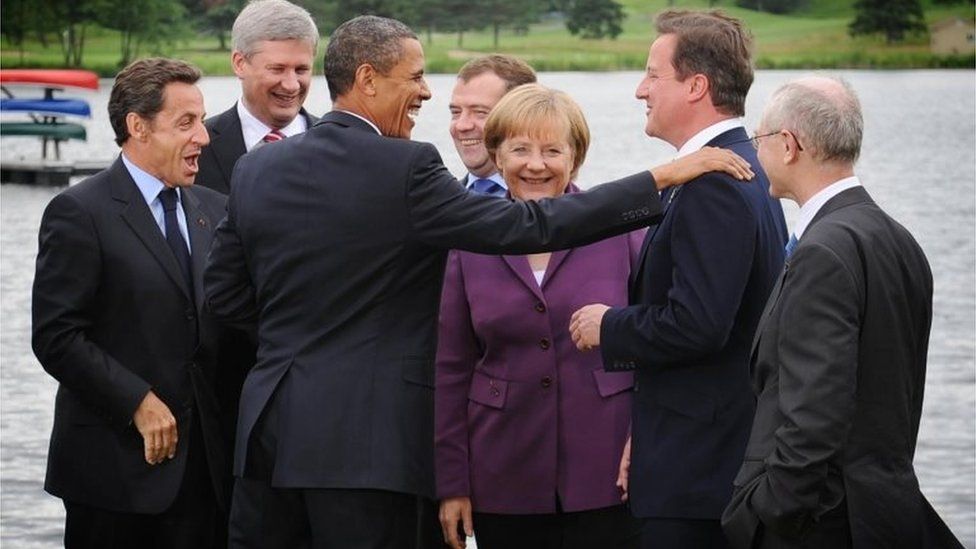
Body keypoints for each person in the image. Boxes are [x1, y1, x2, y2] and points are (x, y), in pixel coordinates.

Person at [203, 14, 753, 549]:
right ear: (368, 79)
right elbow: (524, 222)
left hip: (268, 436)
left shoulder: (257, 168)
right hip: (371, 447)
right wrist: (661, 177)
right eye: (415, 77)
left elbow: (224, 293)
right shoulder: (407, 166)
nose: (424, 92)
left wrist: (299, 343)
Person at [569, 10, 788, 549]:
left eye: (652, 74)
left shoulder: (714, 183)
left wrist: (609, 326)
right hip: (701, 454)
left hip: (700, 470)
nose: (640, 90)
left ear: (696, 86)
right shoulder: (738, 165)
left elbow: (698, 325)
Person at [721, 76, 963, 549]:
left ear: (788, 145)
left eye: (760, 139)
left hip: (825, 524)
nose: (756, 150)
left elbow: (815, 411)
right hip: (886, 509)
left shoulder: (822, 252)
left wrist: (773, 513)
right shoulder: (897, 237)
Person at [435, 83, 648, 549]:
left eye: (553, 150)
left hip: (608, 467)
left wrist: (644, 439)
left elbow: (655, 343)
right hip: (502, 471)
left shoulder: (622, 230)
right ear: (496, 155)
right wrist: (452, 483)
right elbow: (451, 368)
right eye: (520, 149)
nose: (536, 164)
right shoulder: (469, 238)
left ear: (576, 157)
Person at [31, 58, 228, 549]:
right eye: (186, 123)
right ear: (138, 127)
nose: (203, 137)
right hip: (113, 476)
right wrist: (136, 401)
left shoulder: (215, 209)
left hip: (208, 476)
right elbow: (56, 336)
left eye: (201, 120)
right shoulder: (79, 212)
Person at [195, 0, 318, 195]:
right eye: (277, 69)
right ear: (240, 64)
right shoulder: (197, 147)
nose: (291, 84)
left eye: (301, 70)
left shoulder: (343, 148)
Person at [449, 54, 536, 196]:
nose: (461, 126)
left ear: (524, 117)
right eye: (456, 112)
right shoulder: (439, 204)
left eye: (480, 112)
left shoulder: (558, 206)